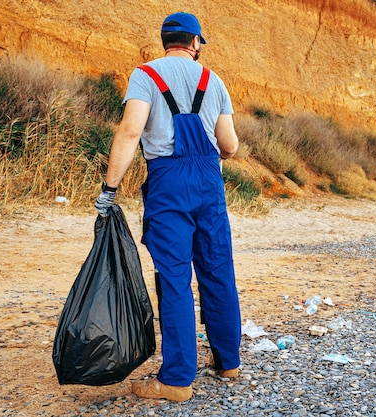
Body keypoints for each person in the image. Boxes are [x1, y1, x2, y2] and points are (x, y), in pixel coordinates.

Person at [94, 11, 241, 402]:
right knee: (217, 269)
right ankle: (228, 362)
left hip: (167, 182)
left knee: (174, 277)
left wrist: (110, 189)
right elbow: (229, 145)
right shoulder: (214, 81)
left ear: (166, 41)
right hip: (209, 182)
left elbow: (130, 132)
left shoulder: (145, 75)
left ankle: (176, 380)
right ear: (195, 44)